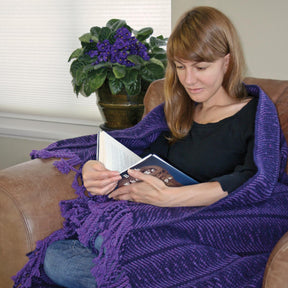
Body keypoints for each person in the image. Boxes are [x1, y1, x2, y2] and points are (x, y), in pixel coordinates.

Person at [13, 6, 288, 288]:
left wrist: (170, 198)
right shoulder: (177, 111)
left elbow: (256, 179)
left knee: (111, 243)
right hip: (160, 219)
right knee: (58, 257)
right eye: (180, 67)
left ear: (227, 62)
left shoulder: (255, 113)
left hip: (209, 226)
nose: (189, 80)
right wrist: (94, 168)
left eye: (201, 67)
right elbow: (138, 153)